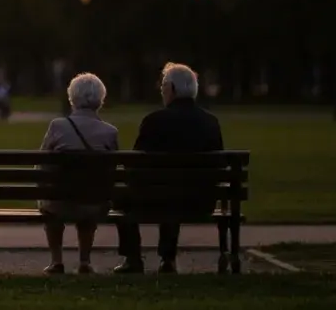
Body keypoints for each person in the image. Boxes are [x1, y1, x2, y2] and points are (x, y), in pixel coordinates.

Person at [114, 62, 224, 274]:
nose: (161, 90)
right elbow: (218, 164)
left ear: (172, 89)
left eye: (163, 85)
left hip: (158, 199)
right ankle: (168, 259)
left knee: (124, 195)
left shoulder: (155, 121)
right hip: (200, 201)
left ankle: (133, 258)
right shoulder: (210, 122)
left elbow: (135, 164)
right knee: (172, 190)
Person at [37, 73, 119, 274]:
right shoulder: (110, 132)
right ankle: (84, 261)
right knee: (90, 198)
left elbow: (42, 163)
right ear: (100, 99)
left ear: (72, 98)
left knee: (51, 205)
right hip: (93, 204)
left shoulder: (57, 126)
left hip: (59, 203)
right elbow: (112, 170)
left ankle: (57, 261)